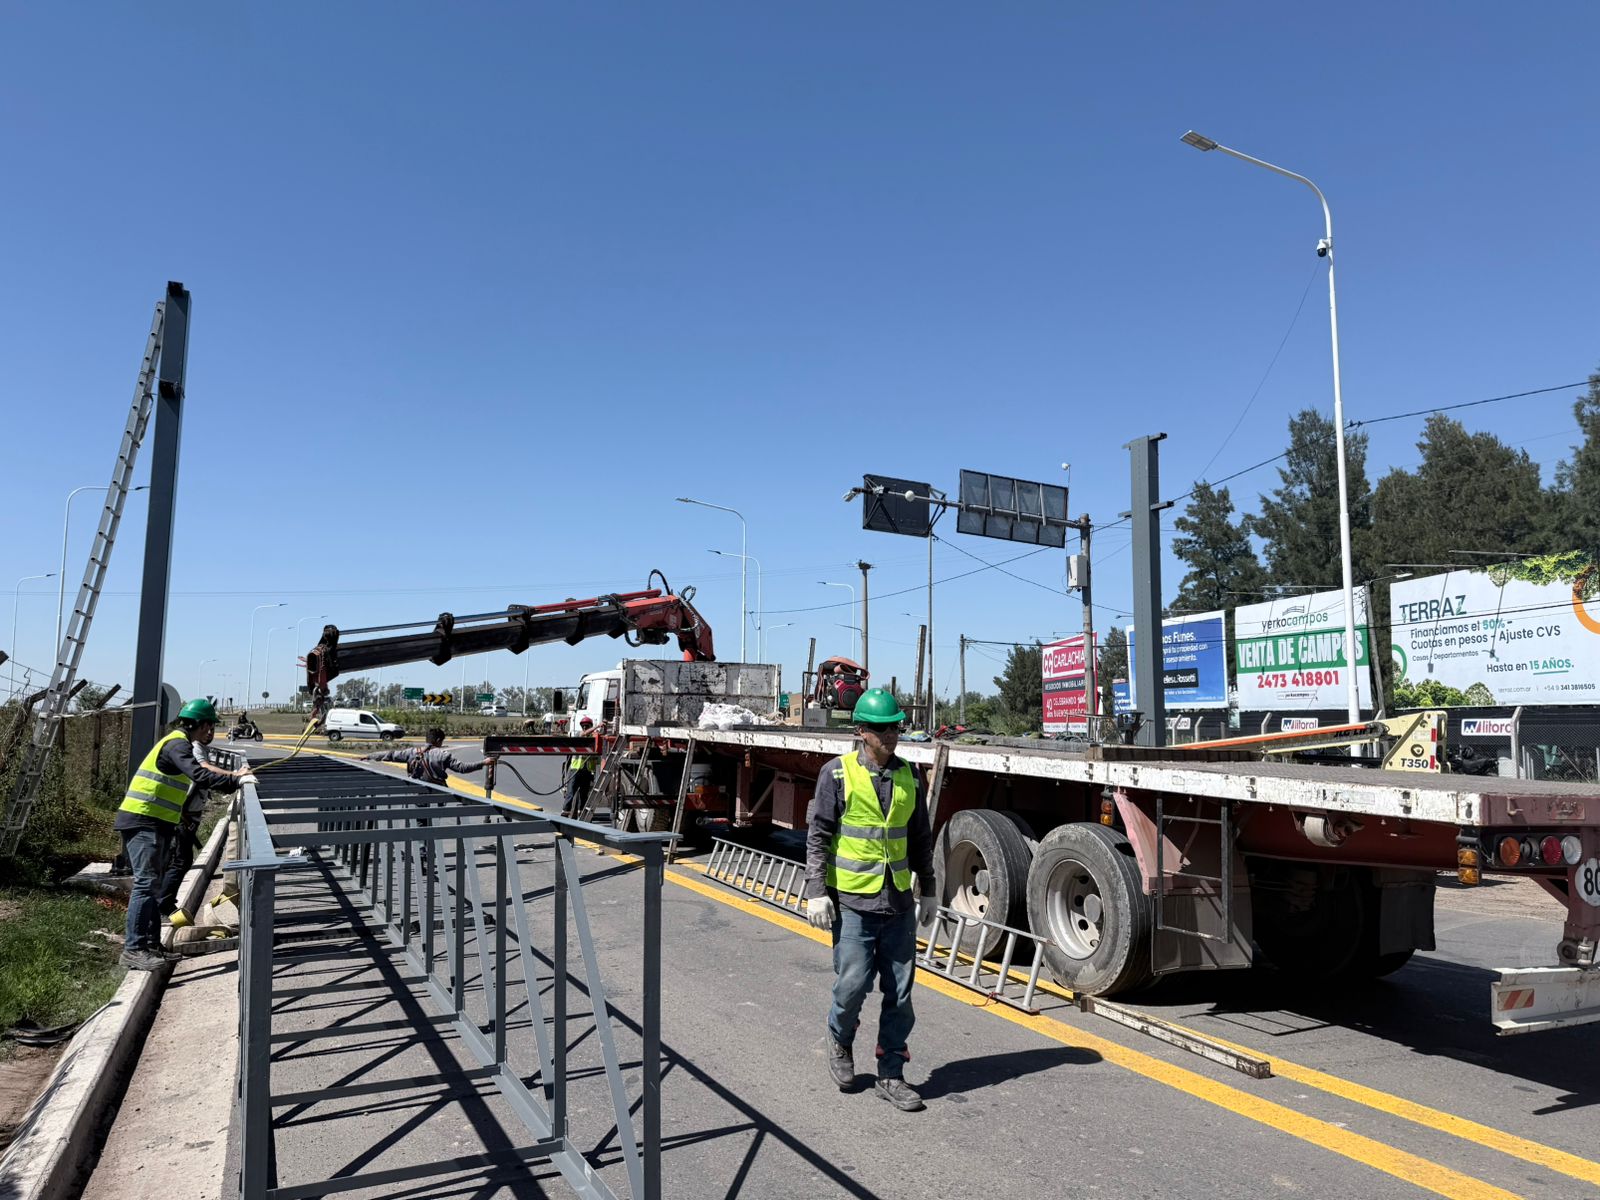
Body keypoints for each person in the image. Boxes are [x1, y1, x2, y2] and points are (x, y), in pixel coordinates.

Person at [804, 688, 937, 1113]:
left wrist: (930, 887)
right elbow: (819, 837)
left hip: (897, 901)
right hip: (854, 903)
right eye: (882, 728)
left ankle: (891, 1072)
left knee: (900, 994)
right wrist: (815, 893)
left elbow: (919, 836)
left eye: (896, 726)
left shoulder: (910, 775)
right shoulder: (837, 775)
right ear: (862, 732)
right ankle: (840, 1040)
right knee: (852, 985)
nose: (892, 734)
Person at [116, 698, 254, 971]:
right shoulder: (177, 744)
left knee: (153, 886)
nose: (210, 732)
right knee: (145, 884)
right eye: (208, 726)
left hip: (157, 822)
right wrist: (236, 780)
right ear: (199, 724)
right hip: (144, 820)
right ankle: (134, 949)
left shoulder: (179, 743)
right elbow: (199, 774)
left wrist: (233, 779)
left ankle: (152, 945)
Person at [364, 727, 485, 784]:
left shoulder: (412, 752)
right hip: (438, 793)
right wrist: (483, 763)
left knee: (421, 823)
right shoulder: (443, 755)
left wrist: (370, 756)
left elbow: (390, 755)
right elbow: (462, 768)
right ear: (438, 740)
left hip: (418, 792)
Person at [564, 716, 597, 818]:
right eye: (583, 726)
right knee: (570, 793)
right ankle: (565, 813)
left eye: (587, 726)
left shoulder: (594, 738)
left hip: (587, 771)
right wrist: (597, 726)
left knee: (584, 795)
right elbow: (583, 734)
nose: (584, 728)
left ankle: (581, 815)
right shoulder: (578, 735)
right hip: (576, 770)